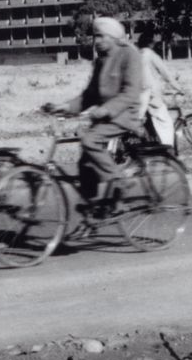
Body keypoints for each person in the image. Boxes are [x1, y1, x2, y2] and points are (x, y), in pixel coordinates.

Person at [44, 15, 144, 213]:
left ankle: (120, 182)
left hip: (125, 115)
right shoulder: (100, 62)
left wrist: (106, 109)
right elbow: (89, 96)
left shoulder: (130, 55)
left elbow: (131, 93)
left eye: (100, 36)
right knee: (85, 162)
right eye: (94, 37)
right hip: (105, 118)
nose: (96, 41)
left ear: (113, 37)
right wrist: (64, 106)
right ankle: (93, 205)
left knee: (89, 140)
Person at [135, 27, 183, 147]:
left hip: (135, 93)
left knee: (149, 121)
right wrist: (179, 88)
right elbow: (166, 74)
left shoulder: (137, 55)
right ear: (151, 43)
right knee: (165, 123)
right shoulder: (150, 55)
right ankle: (168, 152)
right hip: (149, 94)